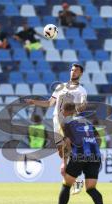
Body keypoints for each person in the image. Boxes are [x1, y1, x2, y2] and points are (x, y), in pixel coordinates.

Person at [25, 63, 87, 194]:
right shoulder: (60, 87)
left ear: (81, 74)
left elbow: (83, 105)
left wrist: (73, 110)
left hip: (69, 122)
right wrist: (34, 102)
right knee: (61, 152)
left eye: (76, 71)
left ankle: (75, 175)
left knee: (66, 148)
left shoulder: (81, 90)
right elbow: (49, 103)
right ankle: (75, 179)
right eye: (72, 70)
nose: (73, 72)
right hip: (56, 121)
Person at [47, 102, 107, 204]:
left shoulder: (66, 124)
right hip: (95, 156)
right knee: (91, 188)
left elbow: (67, 142)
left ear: (65, 111)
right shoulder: (87, 122)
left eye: (62, 111)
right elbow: (99, 139)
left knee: (66, 185)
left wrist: (64, 162)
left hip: (79, 156)